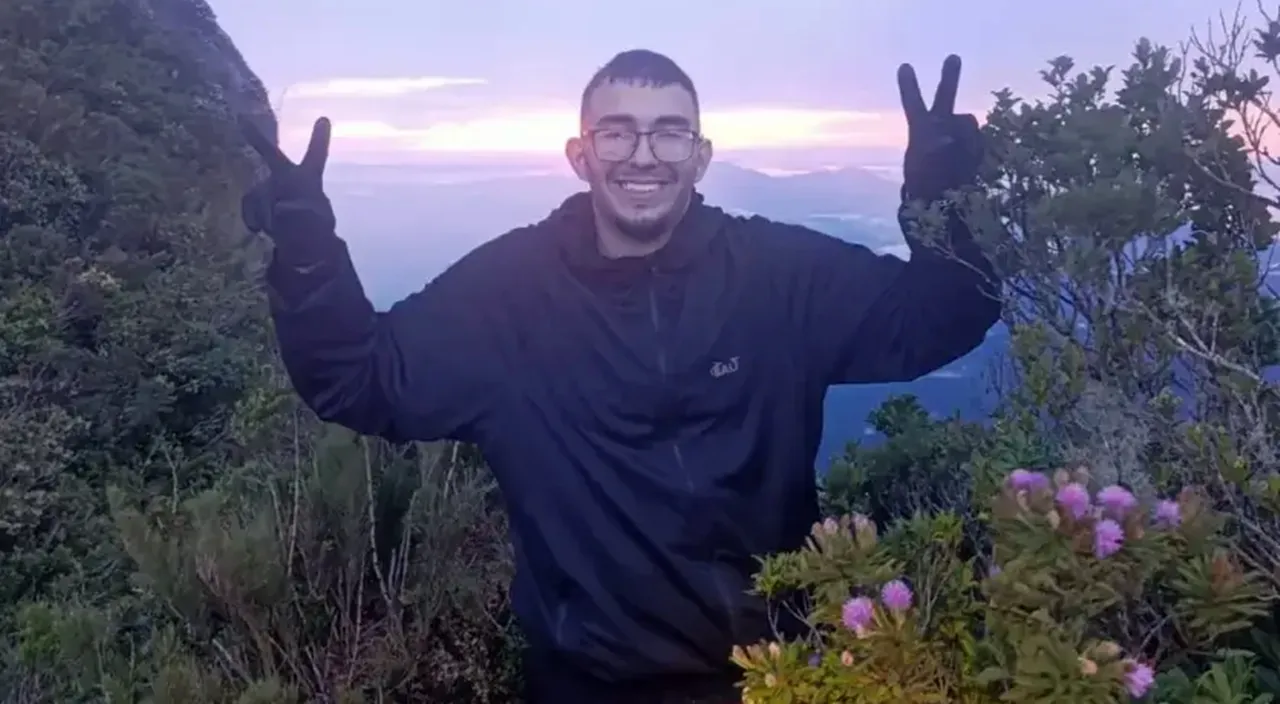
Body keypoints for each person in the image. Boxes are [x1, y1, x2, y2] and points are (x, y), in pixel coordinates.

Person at [240, 49, 1000, 704]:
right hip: (591, 684)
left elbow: (937, 319)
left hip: (781, 675)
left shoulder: (778, 276)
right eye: (618, 132)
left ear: (700, 156)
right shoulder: (510, 295)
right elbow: (360, 377)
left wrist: (943, 205)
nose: (644, 155)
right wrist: (308, 254)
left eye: (669, 132)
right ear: (580, 155)